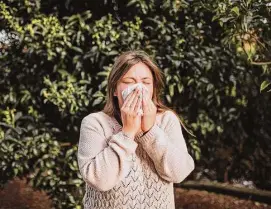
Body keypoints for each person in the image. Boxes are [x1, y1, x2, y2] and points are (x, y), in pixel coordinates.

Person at [77, 50, 195, 209]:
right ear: (114, 89)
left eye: (146, 82)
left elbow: (179, 173)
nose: (138, 89)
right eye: (129, 81)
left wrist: (150, 131)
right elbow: (100, 180)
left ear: (153, 88)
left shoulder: (167, 120)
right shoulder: (95, 123)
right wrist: (127, 133)